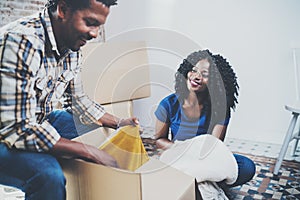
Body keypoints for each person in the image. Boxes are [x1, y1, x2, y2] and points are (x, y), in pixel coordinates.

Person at [0, 0, 139, 199]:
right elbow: (18, 127)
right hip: (6, 133)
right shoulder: (22, 41)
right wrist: (88, 151)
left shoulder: (71, 47)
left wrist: (119, 122)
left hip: (36, 121)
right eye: (90, 22)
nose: (94, 34)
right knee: (48, 175)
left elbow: (78, 101)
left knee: (94, 131)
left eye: (99, 26)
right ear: (63, 9)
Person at [154, 50, 255, 189]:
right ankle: (204, 183)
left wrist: (198, 155)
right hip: (180, 155)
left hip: (206, 158)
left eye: (205, 74)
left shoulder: (220, 108)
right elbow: (159, 139)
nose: (196, 76)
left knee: (246, 167)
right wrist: (181, 149)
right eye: (193, 70)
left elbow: (215, 146)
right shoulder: (168, 104)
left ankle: (197, 183)